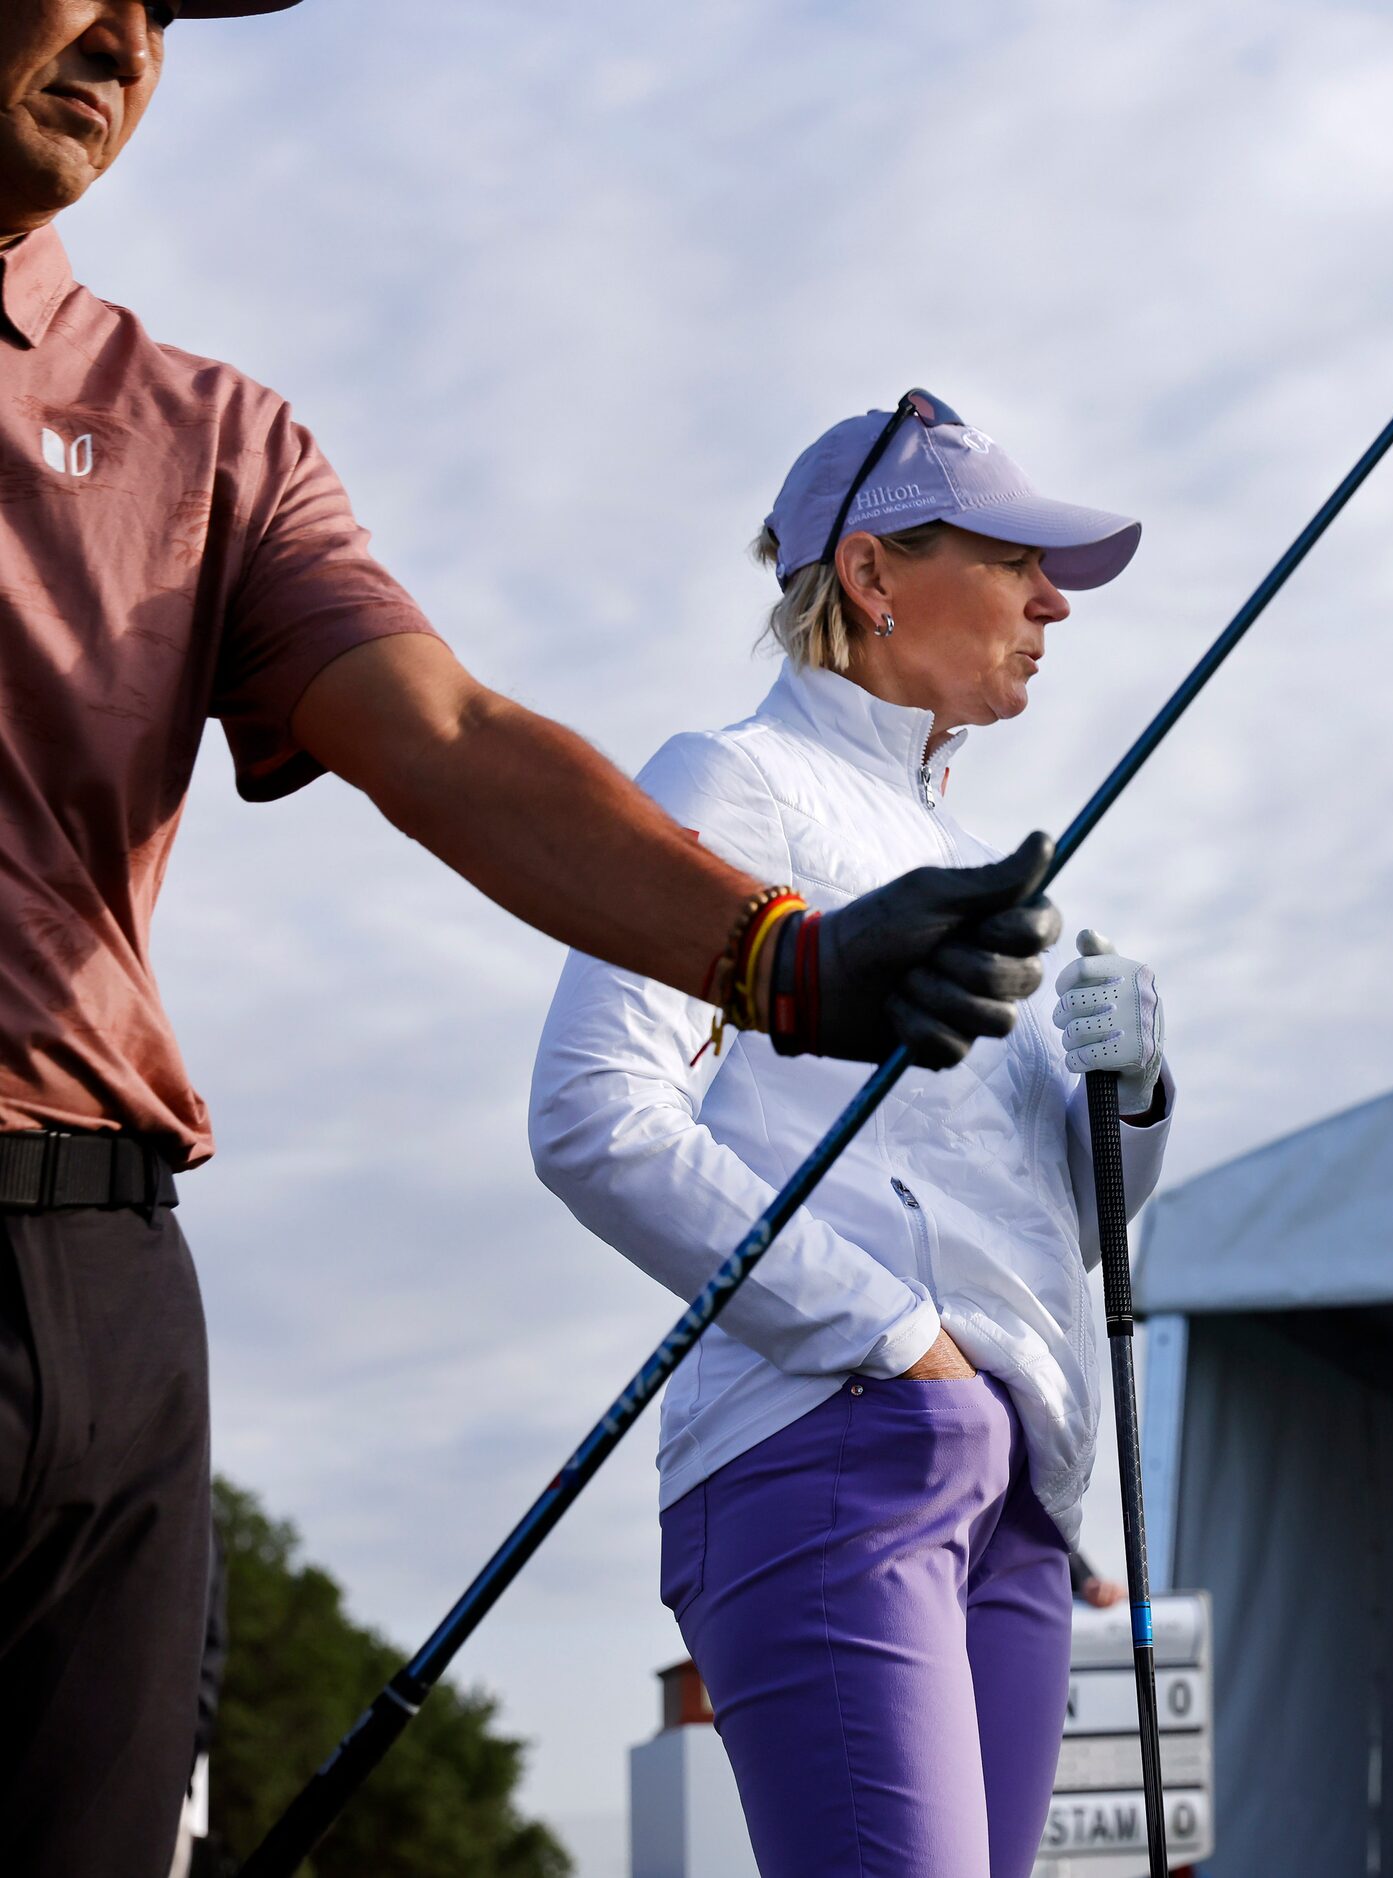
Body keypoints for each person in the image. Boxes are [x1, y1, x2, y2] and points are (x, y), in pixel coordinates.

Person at [0, 8, 1063, 1875]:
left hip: (96, 1284)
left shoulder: (210, 434)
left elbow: (456, 742)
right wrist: (894, 1334)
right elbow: (602, 1117)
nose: (125, 33)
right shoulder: (753, 762)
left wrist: (787, 962)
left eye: (169, 6)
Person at [530, 390, 1172, 1878]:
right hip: (833, 1444)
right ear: (875, 576)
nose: (1051, 600)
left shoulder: (961, 854)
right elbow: (594, 1113)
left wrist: (1129, 1098)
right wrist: (896, 1341)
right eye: (1013, 554)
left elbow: (1077, 1220)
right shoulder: (728, 781)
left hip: (1019, 1488)